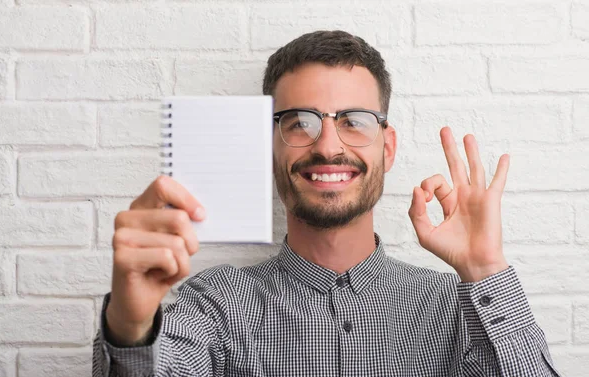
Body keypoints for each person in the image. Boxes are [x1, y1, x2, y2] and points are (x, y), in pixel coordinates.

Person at [92, 30, 561, 376]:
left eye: (354, 120)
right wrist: (130, 324)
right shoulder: (212, 305)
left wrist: (487, 272)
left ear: (388, 146)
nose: (328, 146)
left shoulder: (460, 309)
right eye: (300, 122)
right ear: (268, 145)